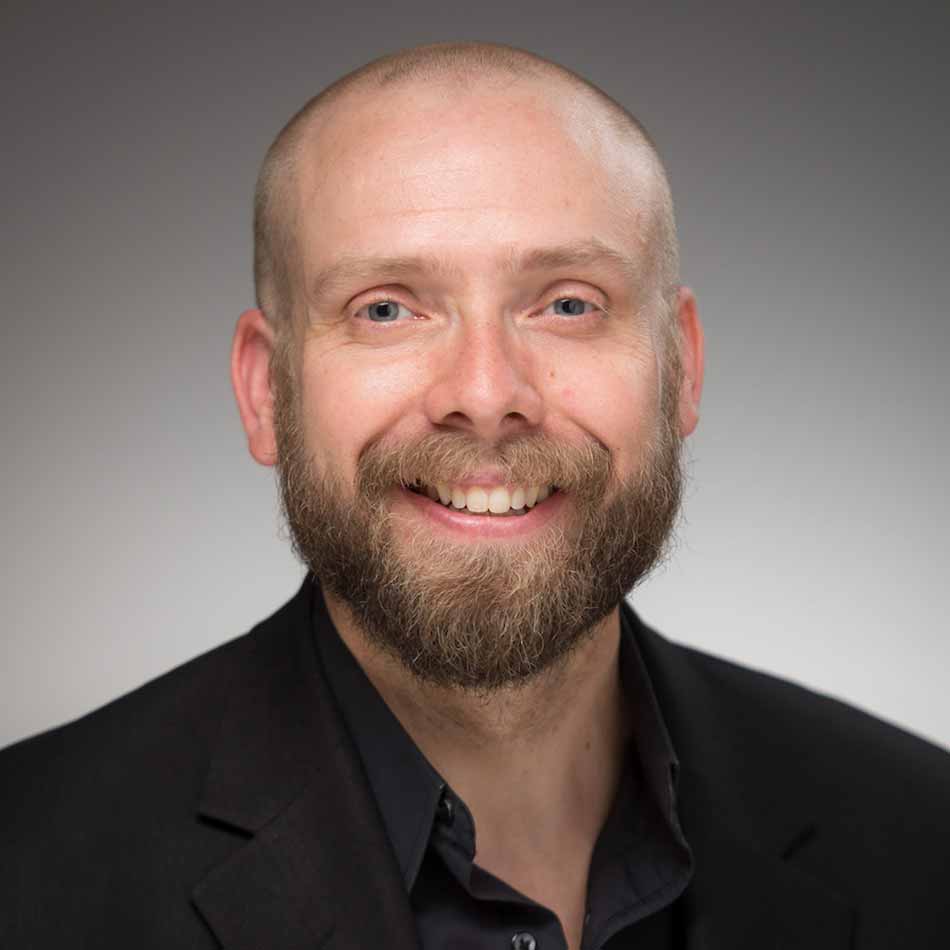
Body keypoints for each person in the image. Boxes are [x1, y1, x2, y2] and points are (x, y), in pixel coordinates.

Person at [1, 41, 947, 950]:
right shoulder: (28, 872)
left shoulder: (920, 831)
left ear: (681, 369)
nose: (488, 395)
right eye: (386, 309)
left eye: (568, 303)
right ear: (264, 391)